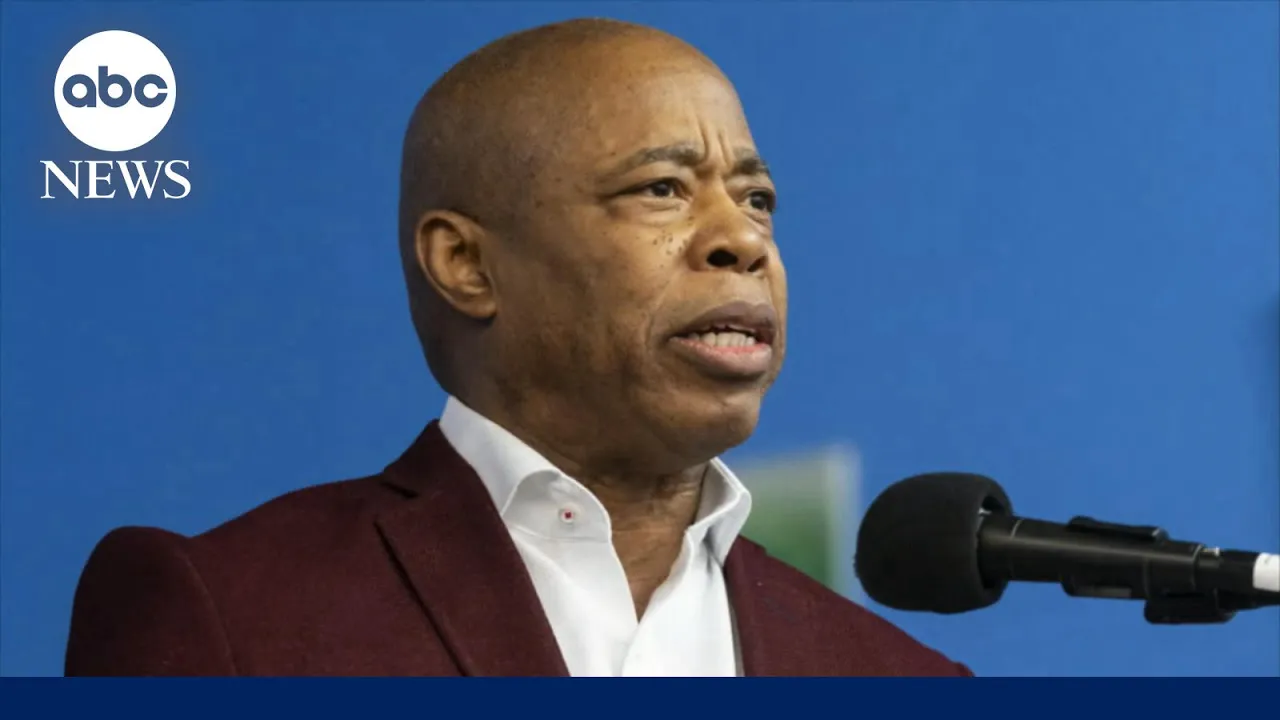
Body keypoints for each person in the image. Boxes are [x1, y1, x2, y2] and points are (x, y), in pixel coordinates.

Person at [64, 18, 970, 677]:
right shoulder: (235, 615)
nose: (742, 239)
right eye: (662, 188)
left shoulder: (899, 679)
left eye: (757, 199)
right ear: (466, 265)